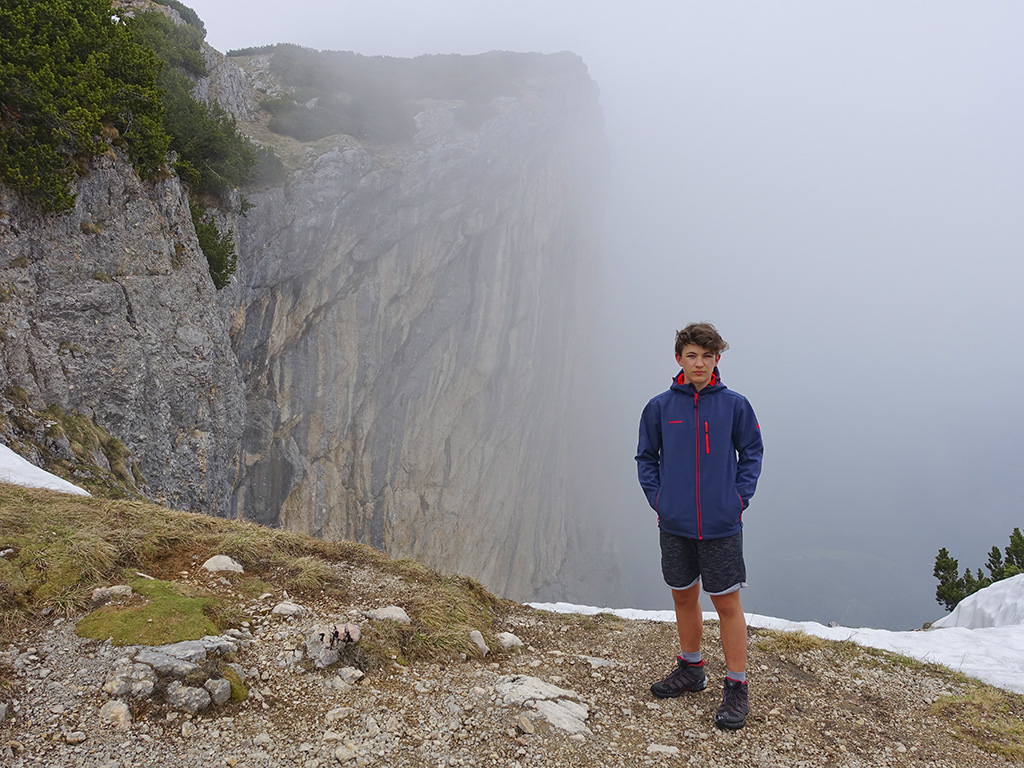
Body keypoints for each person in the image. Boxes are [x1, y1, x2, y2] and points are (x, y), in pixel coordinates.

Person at [635, 322, 763, 730]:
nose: (700, 363)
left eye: (708, 356)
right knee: (683, 596)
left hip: (722, 523)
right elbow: (645, 458)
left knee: (726, 603)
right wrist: (659, 499)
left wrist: (737, 500)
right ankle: (691, 669)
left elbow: (753, 453)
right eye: (692, 355)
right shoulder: (659, 407)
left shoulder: (735, 405)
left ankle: (736, 687)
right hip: (675, 523)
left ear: (717, 360)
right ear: (679, 359)